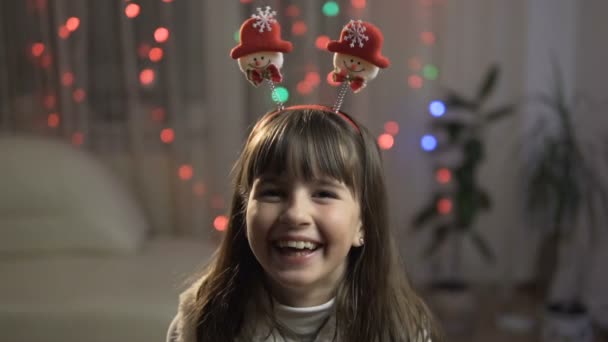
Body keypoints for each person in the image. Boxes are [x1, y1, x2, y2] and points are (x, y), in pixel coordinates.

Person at [167, 104, 441, 342]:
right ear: (244, 211)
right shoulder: (200, 320)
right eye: (273, 192)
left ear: (363, 224)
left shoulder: (399, 330)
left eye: (324, 194)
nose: (296, 214)